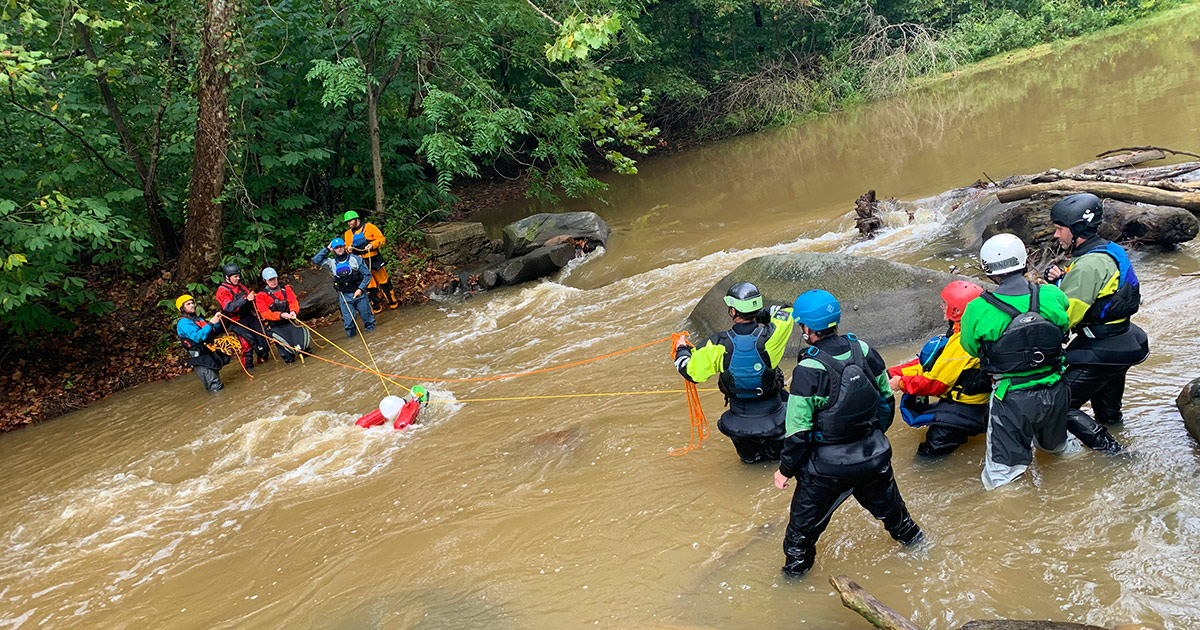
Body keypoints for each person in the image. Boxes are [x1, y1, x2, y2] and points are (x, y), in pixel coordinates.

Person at [774, 289, 922, 578]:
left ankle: (792, 582)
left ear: (806, 328)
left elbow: (798, 432)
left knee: (799, 538)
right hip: (873, 458)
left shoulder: (807, 370)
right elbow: (886, 400)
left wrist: (785, 471)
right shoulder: (864, 350)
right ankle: (922, 553)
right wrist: (873, 435)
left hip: (825, 470)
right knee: (899, 521)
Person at [960, 233, 1082, 490]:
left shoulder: (977, 308)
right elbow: (1065, 323)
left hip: (1012, 398)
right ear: (1024, 261)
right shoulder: (1051, 295)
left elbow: (970, 348)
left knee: (1002, 475)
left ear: (988, 269)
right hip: (1057, 391)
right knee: (1060, 448)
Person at [1044, 193, 1149, 453]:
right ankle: (1115, 440)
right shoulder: (1107, 249)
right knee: (1108, 415)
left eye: (1059, 229)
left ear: (1078, 229)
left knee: (1061, 406)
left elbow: (1065, 317)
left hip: (1101, 349)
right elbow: (1100, 290)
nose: (1056, 235)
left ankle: (1116, 453)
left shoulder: (1088, 264)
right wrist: (1060, 281)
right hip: (1124, 339)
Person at [673, 282, 794, 463]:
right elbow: (787, 312)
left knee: (749, 463)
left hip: (739, 422)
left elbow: (689, 372)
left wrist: (681, 349)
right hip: (776, 418)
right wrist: (760, 314)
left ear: (733, 311)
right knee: (778, 462)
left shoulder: (716, 344)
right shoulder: (772, 335)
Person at [888, 281, 992, 457]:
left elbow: (935, 383)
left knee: (932, 449)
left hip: (971, 406)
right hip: (979, 401)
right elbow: (931, 363)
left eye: (945, 303)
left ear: (956, 311)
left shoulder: (962, 342)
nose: (941, 306)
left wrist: (901, 383)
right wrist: (893, 372)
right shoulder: (969, 328)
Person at [313, 237, 375, 337]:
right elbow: (316, 260)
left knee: (368, 320)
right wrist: (327, 248)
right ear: (334, 249)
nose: (339, 249)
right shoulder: (331, 263)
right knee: (349, 324)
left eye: (341, 246)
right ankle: (353, 341)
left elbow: (367, 275)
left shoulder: (356, 259)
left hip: (360, 295)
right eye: (336, 247)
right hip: (345, 296)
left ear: (344, 246)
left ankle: (373, 338)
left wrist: (360, 289)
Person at [215, 263, 271, 370]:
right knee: (247, 345)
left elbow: (250, 296)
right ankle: (249, 369)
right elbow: (228, 307)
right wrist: (245, 299)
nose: (238, 278)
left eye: (238, 276)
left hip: (249, 316)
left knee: (263, 337)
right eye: (235, 276)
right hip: (237, 321)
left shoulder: (240, 287)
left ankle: (264, 360)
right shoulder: (222, 291)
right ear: (227, 277)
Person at [343, 210, 398, 313]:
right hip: (361, 262)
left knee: (384, 281)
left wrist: (373, 245)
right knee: (370, 285)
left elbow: (382, 239)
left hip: (374, 259)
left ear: (356, 219)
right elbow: (346, 246)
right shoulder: (348, 234)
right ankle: (377, 306)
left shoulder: (370, 227)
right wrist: (348, 248)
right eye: (347, 222)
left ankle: (392, 302)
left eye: (350, 221)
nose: (349, 223)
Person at [254, 267, 311, 364]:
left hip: (291, 323)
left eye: (274, 279)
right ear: (265, 281)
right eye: (270, 280)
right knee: (288, 357)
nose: (273, 281)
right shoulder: (261, 296)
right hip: (277, 327)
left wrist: (293, 311)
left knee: (305, 349)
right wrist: (280, 315)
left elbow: (293, 301)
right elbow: (265, 313)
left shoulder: (286, 289)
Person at [175, 294, 230, 392]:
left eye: (192, 303)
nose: (192, 305)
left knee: (216, 381)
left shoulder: (198, 319)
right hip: (199, 357)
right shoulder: (183, 323)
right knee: (214, 385)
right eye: (188, 304)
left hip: (207, 353)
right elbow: (198, 337)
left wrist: (217, 321)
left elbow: (211, 331)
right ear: (182, 308)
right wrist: (211, 323)